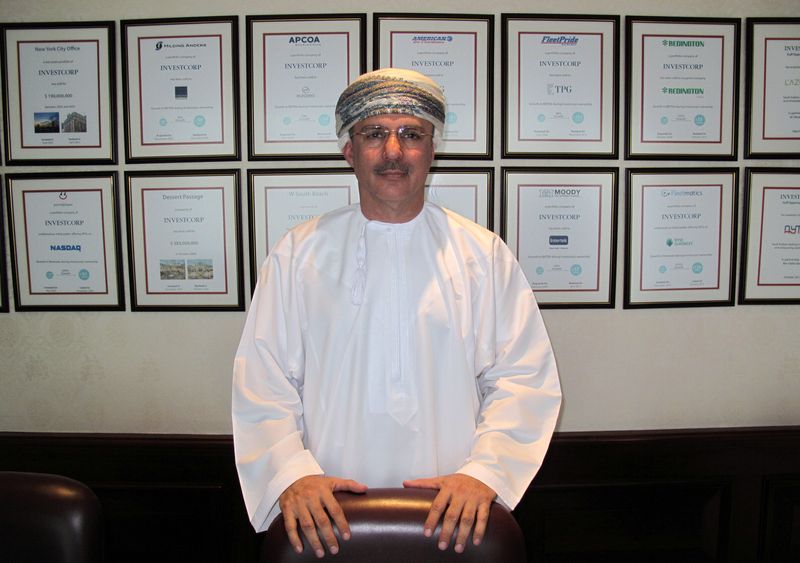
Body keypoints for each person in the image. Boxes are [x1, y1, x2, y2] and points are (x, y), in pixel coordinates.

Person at [232, 68, 562, 559]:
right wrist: (292, 475)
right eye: (374, 134)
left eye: (411, 134)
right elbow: (264, 381)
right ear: (350, 151)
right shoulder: (298, 254)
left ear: (432, 151)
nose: (393, 151)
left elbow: (523, 378)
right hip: (329, 519)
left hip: (451, 518)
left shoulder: (482, 255)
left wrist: (484, 474)